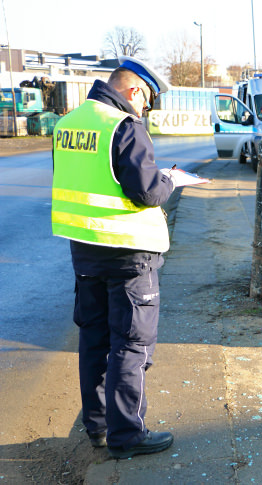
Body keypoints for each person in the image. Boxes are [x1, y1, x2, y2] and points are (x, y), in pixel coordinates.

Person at [51, 56, 179, 459]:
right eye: (147, 102)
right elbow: (146, 191)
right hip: (128, 253)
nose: (145, 111)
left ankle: (99, 428)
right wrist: (170, 180)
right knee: (132, 343)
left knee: (94, 339)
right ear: (134, 90)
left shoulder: (67, 124)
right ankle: (128, 437)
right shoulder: (123, 126)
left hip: (85, 251)